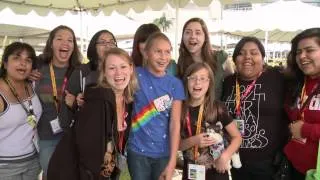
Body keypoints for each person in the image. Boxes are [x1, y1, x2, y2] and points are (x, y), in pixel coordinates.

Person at [47, 48, 138, 180]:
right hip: (78, 173)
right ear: (105, 73)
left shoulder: (127, 101)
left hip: (106, 169)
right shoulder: (98, 101)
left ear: (131, 69)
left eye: (123, 66)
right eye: (112, 68)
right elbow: (89, 155)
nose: (118, 73)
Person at [221, 36, 289, 180]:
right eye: (241, 53)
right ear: (234, 59)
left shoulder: (277, 79)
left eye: (254, 53)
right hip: (235, 158)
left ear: (263, 58)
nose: (247, 57)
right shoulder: (227, 83)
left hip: (268, 163)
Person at [127, 32, 185, 180]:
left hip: (163, 154)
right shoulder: (134, 75)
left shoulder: (175, 84)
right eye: (158, 51)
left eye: (167, 51)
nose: (163, 57)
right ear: (146, 53)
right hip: (137, 151)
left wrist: (172, 161)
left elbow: (175, 123)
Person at [31, 25, 81, 179]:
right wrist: (28, 75)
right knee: (52, 173)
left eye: (70, 40)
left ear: (74, 46)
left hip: (74, 137)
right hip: (47, 136)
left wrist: (76, 102)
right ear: (51, 43)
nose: (65, 43)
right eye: (59, 38)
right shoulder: (37, 68)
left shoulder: (79, 71)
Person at [179, 62, 242, 180]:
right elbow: (177, 145)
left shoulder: (218, 108)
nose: (198, 82)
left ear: (209, 83)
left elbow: (237, 137)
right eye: (193, 78)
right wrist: (194, 140)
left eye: (203, 78)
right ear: (186, 81)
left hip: (217, 173)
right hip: (191, 174)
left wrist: (225, 156)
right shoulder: (180, 109)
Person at [0, 42, 42, 179]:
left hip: (33, 160)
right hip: (6, 166)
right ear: (5, 63)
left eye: (28, 60)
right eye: (17, 58)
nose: (23, 63)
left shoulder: (32, 84)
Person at [284, 28, 320, 180]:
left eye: (309, 50)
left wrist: (306, 129)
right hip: (293, 166)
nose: (302, 56)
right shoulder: (295, 82)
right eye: (298, 52)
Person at [177, 17, 228, 100]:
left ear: (205, 37)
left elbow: (231, 81)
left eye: (198, 33)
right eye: (188, 32)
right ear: (183, 37)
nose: (192, 36)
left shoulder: (220, 58)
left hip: (216, 111)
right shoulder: (180, 64)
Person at [67, 29, 117, 108]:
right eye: (102, 42)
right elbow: (68, 100)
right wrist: (76, 103)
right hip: (90, 118)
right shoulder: (82, 71)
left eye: (111, 42)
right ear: (94, 47)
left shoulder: (121, 71)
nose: (108, 46)